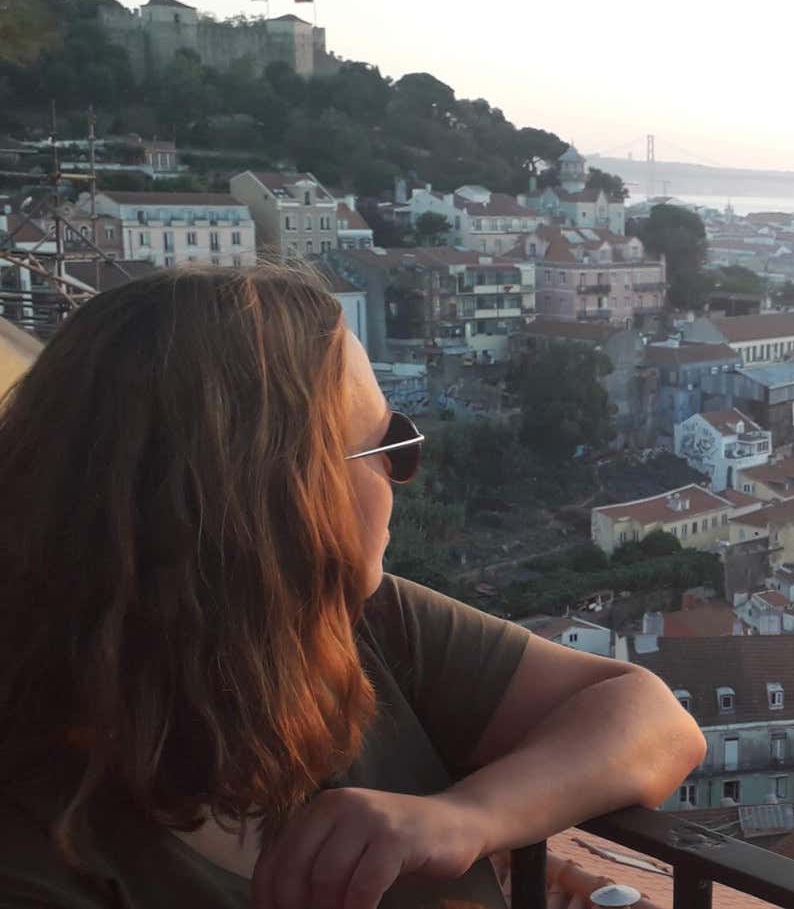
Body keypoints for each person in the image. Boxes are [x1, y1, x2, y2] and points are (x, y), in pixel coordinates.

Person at [0, 266, 706, 909]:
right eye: (389, 445)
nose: (405, 475)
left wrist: (467, 814)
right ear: (278, 495)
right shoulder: (40, 851)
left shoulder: (357, 621)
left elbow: (653, 721)